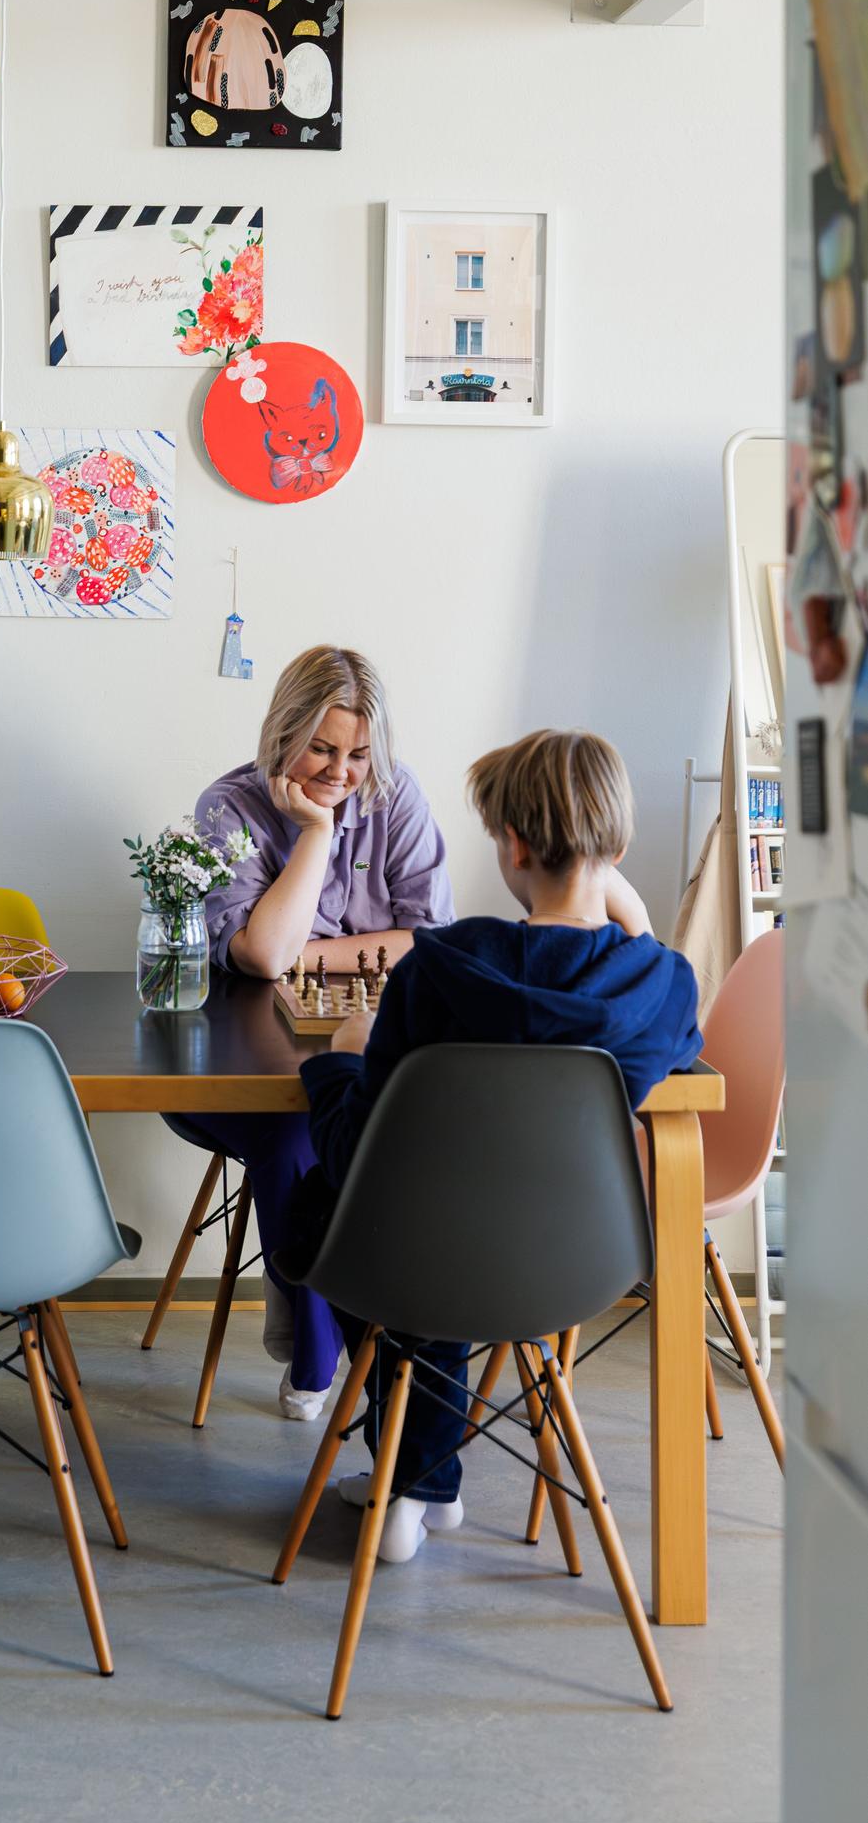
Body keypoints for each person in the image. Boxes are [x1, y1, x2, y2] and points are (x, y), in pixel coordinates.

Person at [286, 726, 703, 1562]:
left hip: (414, 1249)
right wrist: (631, 918)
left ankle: (411, 1480)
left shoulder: (440, 966)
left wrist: (335, 1063)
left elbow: (358, 1147)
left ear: (510, 845)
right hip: (576, 1259)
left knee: (379, 1212)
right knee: (450, 1222)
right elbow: (675, 1046)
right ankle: (420, 1483)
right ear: (617, 850)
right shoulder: (662, 983)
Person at [192, 646, 454, 1420]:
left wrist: (303, 954)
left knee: (368, 1129)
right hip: (234, 1069)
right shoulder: (228, 807)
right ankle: (316, 1353)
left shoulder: (395, 796)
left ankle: (383, 1333)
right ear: (283, 734)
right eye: (322, 749)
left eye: (359, 754)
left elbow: (429, 938)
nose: (342, 772)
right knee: (289, 1135)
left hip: (362, 1053)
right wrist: (314, 832)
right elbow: (259, 957)